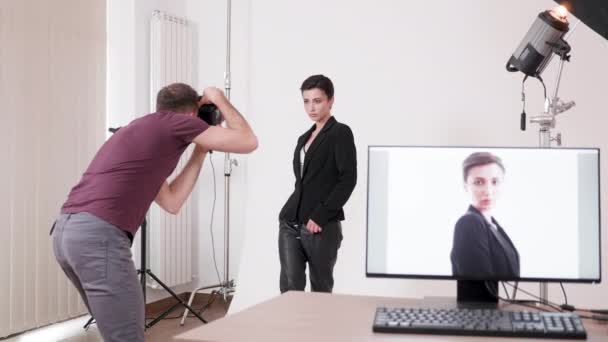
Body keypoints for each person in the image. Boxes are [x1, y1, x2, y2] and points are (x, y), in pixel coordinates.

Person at [51, 83, 257, 342]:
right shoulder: (177, 122)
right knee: (127, 337)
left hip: (66, 235)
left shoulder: (140, 130)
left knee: (116, 333)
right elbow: (248, 141)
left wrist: (200, 151)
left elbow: (171, 201)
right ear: (193, 113)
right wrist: (219, 99)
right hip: (98, 237)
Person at [278, 74, 357, 293]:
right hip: (290, 222)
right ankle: (291, 329)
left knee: (321, 289)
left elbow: (348, 179)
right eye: (306, 101)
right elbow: (302, 182)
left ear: (331, 100)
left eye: (317, 100)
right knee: (289, 289)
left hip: (319, 226)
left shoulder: (340, 133)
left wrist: (321, 215)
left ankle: (321, 328)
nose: (311, 107)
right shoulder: (304, 138)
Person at [450, 152, 520, 280]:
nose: (488, 190)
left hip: (494, 300)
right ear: (465, 186)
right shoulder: (470, 223)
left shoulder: (492, 224)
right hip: (480, 300)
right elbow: (478, 285)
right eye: (478, 182)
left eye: (494, 182)